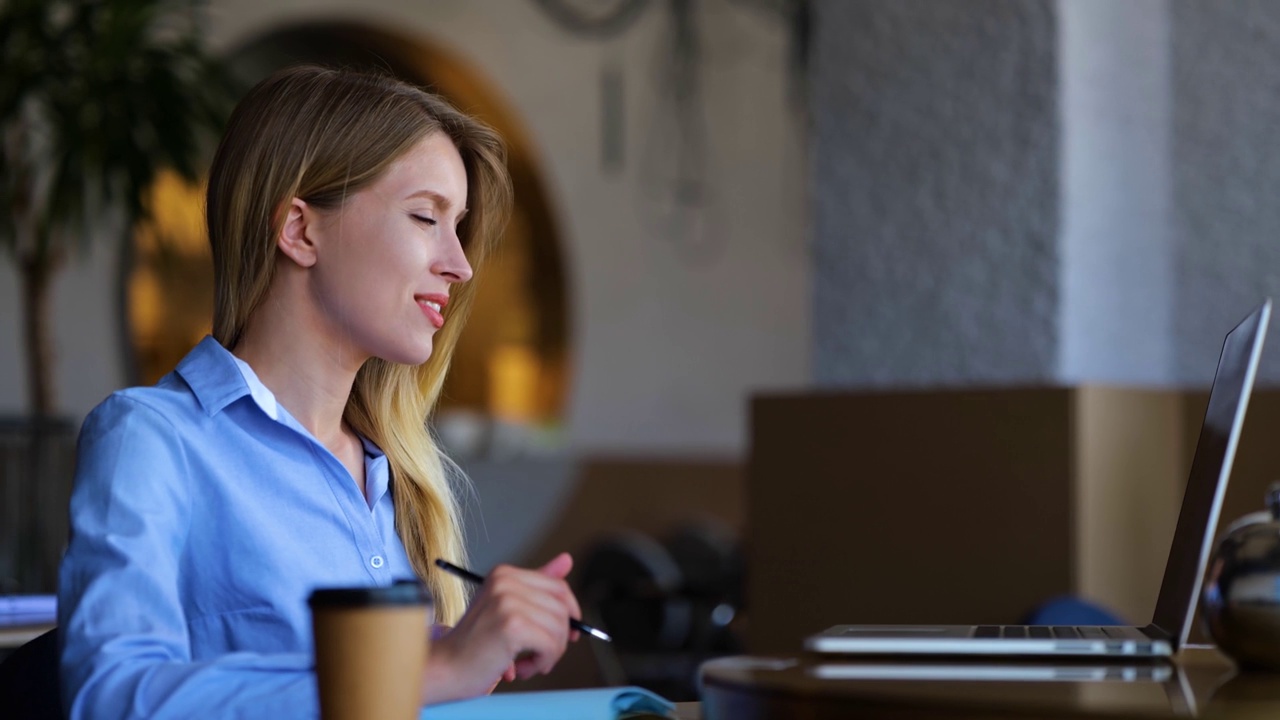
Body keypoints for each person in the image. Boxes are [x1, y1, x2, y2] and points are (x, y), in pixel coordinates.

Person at [57, 65, 582, 719]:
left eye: (459, 226)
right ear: (300, 230)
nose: (461, 264)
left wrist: (451, 657)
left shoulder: (396, 480)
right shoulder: (151, 437)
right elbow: (107, 696)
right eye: (426, 216)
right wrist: (430, 671)